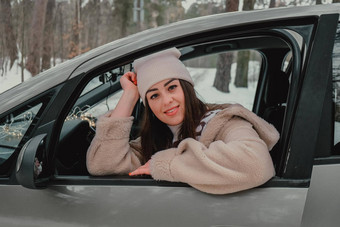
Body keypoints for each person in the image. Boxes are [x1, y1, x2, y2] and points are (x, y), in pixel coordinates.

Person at [86, 47, 279, 194]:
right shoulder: (152, 142)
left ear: (186, 88)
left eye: (171, 88)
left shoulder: (224, 121)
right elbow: (102, 165)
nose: (166, 101)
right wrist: (130, 95)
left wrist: (168, 165)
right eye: (154, 96)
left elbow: (257, 163)